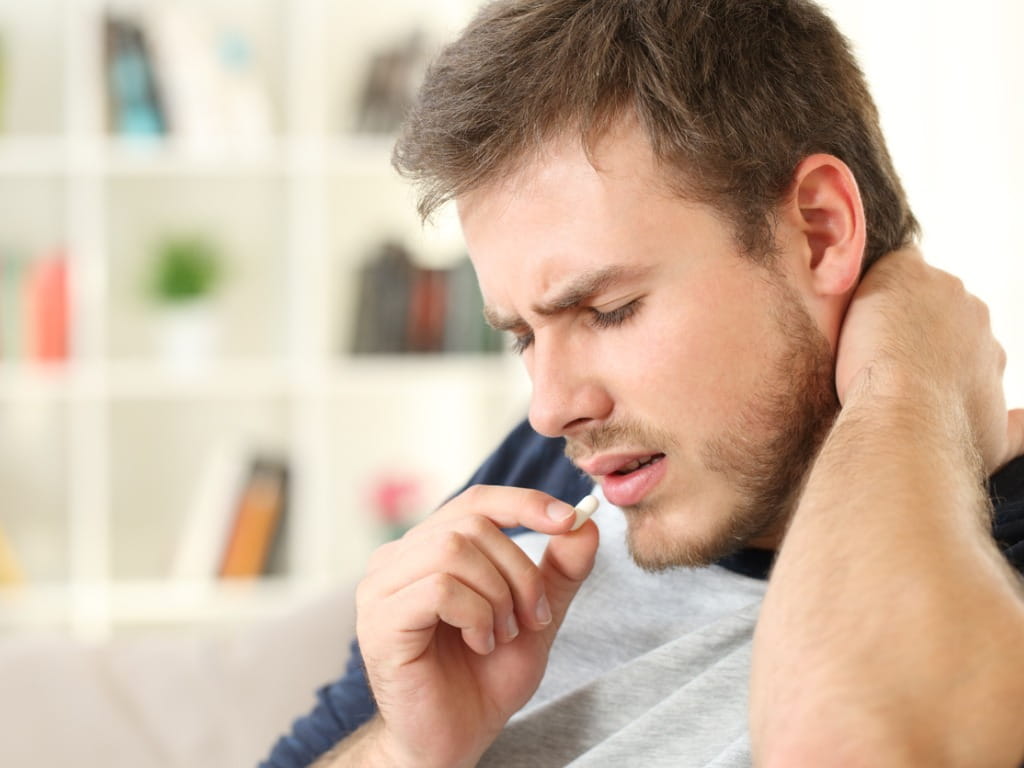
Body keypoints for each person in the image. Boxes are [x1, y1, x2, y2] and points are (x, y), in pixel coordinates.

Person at [264, 1, 1024, 765]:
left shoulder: (992, 580)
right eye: (524, 336)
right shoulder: (553, 478)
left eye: (609, 310)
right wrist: (406, 748)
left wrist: (904, 383)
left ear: (819, 229)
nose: (552, 410)